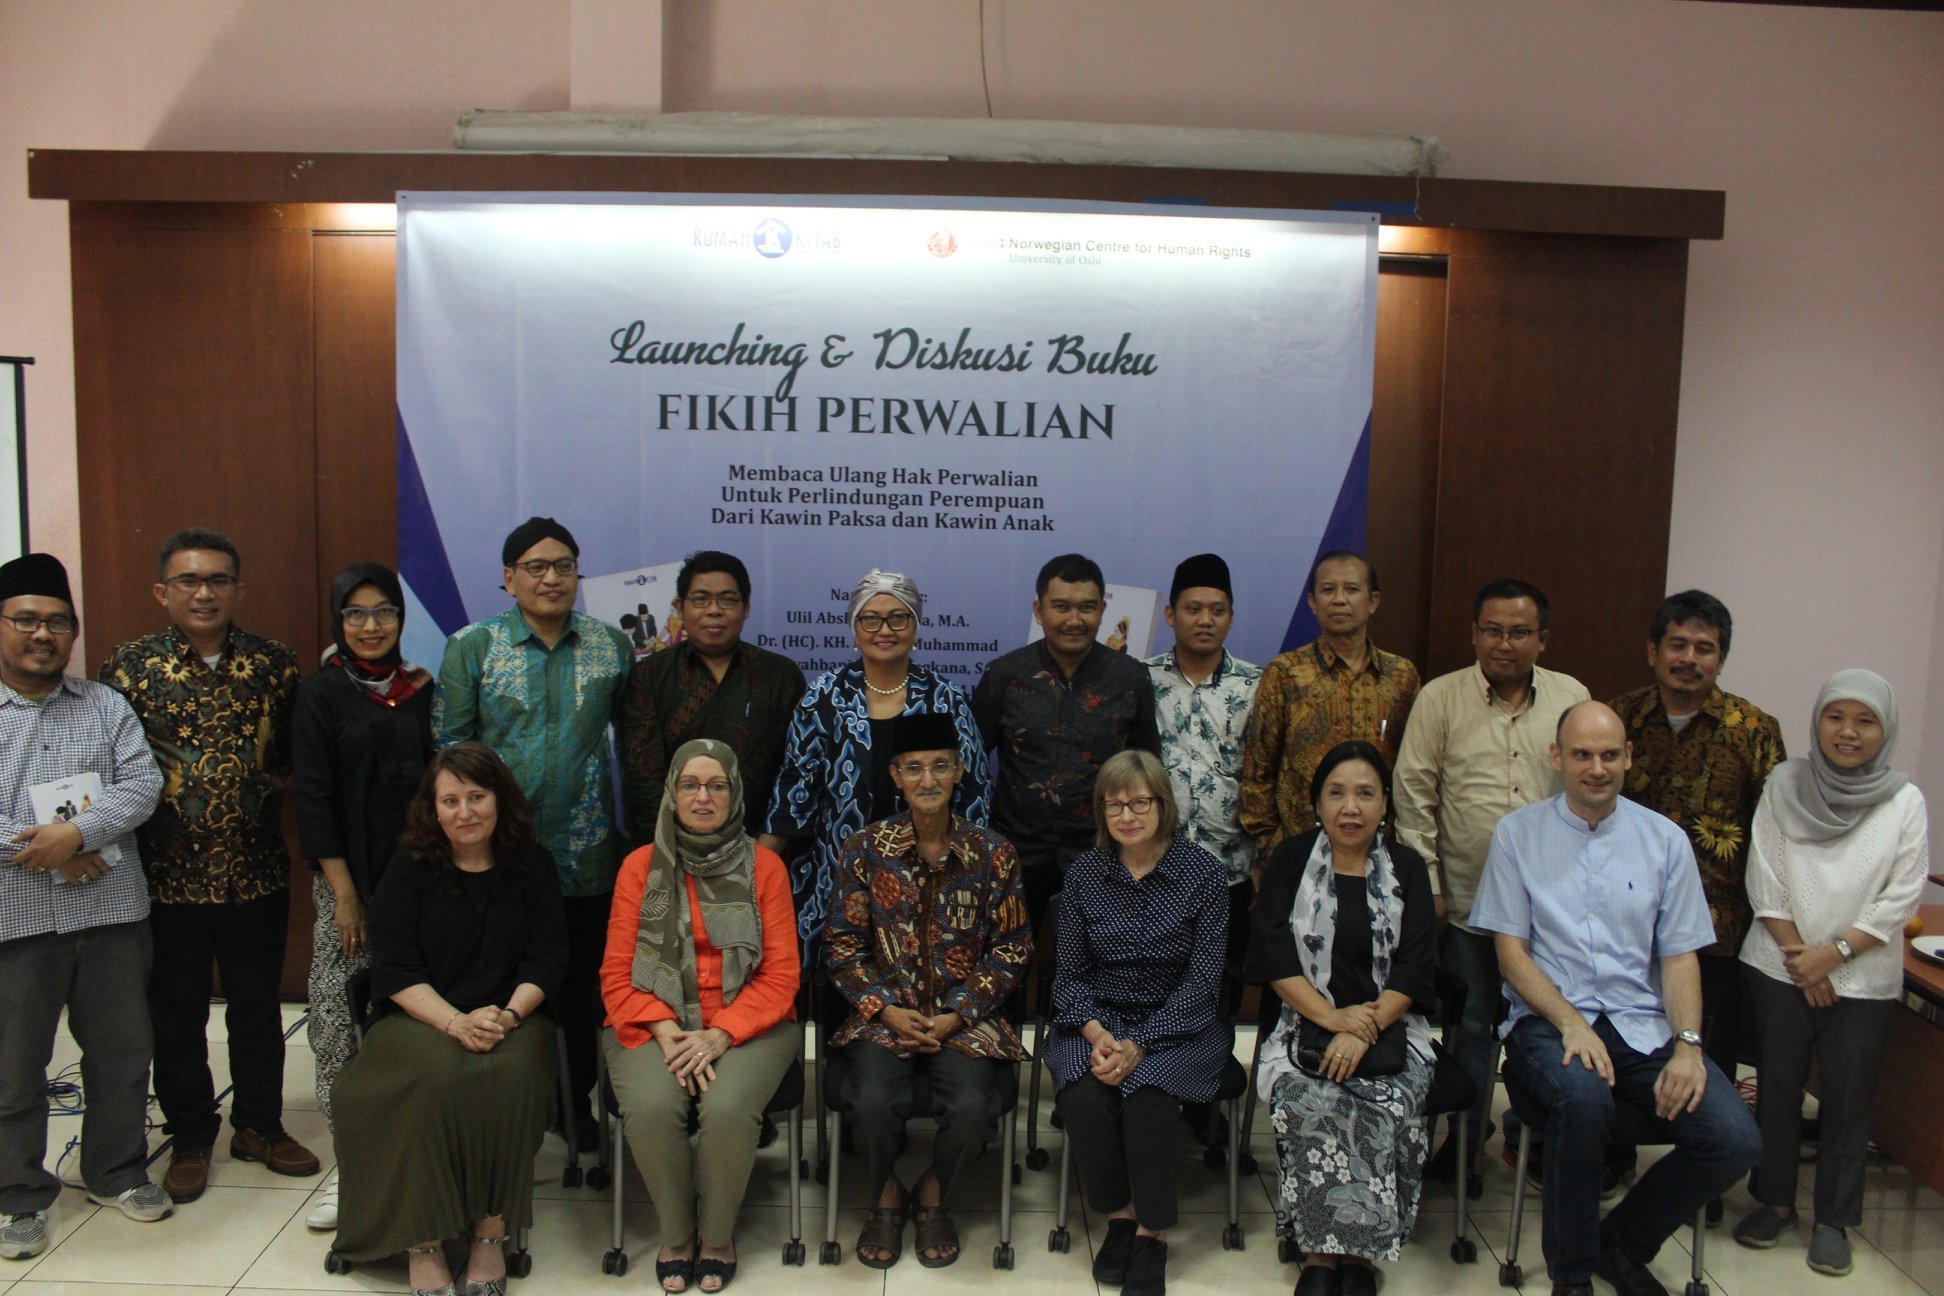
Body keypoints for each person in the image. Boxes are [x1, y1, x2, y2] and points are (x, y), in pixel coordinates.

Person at [1469, 702, 1762, 1296]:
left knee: (1735, 1138)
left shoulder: (1665, 841)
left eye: (1609, 755)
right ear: (1557, 758)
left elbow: (1680, 956)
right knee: (1583, 1097)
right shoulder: (1518, 835)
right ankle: (1571, 1275)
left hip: (1642, 1026)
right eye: (1581, 754)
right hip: (1546, 1025)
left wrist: (1687, 1047)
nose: (1596, 768)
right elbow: (1512, 955)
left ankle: (1620, 1241)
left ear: (1629, 757)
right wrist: (1572, 1024)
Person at [99, 527, 318, 1202]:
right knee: (177, 1014)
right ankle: (191, 1133)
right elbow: (109, 770)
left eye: (218, 580)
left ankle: (259, 1125)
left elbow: (289, 764)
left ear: (239, 590)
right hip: (165, 881)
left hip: (254, 872)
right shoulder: (129, 669)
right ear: (163, 591)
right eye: (190, 581)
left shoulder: (275, 666)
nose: (204, 592)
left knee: (257, 1011)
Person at [331, 742, 567, 1296]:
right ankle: (424, 1240)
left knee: (507, 1078)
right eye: (451, 800)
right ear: (431, 810)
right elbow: (394, 967)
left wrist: (506, 1017)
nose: (465, 812)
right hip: (420, 1016)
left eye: (477, 797)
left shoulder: (533, 864)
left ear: (500, 801)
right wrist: (456, 1023)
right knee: (430, 1080)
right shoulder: (409, 869)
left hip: (515, 1016)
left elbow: (548, 958)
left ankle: (490, 1231)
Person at [435, 516, 632, 1147]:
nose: (552, 578)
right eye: (536, 567)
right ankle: (505, 1105)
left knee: (577, 989)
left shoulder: (612, 646)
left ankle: (573, 1105)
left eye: (564, 566)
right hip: (500, 856)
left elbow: (633, 746)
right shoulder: (474, 645)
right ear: (508, 578)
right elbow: (451, 748)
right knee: (502, 982)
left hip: (587, 853)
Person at [0, 554, 169, 1259]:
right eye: (27, 620)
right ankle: (18, 1195)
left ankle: (116, 1170)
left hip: (110, 916)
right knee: (13, 1068)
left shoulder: (104, 704)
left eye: (57, 622)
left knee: (122, 1054)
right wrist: (50, 850)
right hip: (15, 920)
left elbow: (144, 785)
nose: (43, 634)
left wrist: (78, 832)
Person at [1733, 670, 1927, 1278]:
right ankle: (1774, 1202)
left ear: (1885, 729)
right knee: (1778, 1087)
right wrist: (1802, 958)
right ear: (1816, 720)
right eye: (1835, 716)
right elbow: (1763, 876)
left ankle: (1833, 1222)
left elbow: (1902, 897)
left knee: (1848, 1100)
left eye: (1865, 720)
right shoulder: (1783, 783)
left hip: (1861, 976)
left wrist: (1832, 956)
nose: (1848, 732)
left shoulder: (1905, 800)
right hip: (1779, 962)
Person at [1391, 578, 1588, 1175]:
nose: (1506, 644)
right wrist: (1429, 885)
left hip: (1551, 908)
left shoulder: (1570, 697)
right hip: (1469, 904)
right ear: (1474, 634)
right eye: (1493, 631)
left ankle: (1536, 1143)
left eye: (1520, 632)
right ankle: (1463, 1149)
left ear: (1543, 640)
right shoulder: (1440, 698)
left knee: (1549, 1027)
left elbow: (1586, 789)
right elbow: (1413, 794)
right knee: (1473, 1027)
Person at [824, 714, 1032, 1269]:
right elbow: (842, 947)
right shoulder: (864, 849)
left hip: (965, 1020)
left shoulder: (994, 853)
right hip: (883, 1015)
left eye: (940, 766)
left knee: (971, 1107)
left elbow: (1011, 948)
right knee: (867, 1104)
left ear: (959, 770)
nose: (928, 780)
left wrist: (959, 1013)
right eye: (913, 769)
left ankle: (936, 1190)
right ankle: (887, 1191)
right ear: (895, 776)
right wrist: (884, 1009)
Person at [603, 740, 800, 1294]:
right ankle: (676, 1235)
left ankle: (715, 1237)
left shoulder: (766, 867)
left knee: (731, 1106)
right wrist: (668, 1032)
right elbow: (618, 973)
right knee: (647, 1103)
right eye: (690, 784)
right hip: (651, 1019)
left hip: (747, 1021)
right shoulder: (639, 867)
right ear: (672, 792)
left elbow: (782, 976)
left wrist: (718, 1035)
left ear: (735, 793)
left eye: (717, 785)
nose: (703, 797)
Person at [1249, 741, 1436, 1296]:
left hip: (1392, 1028)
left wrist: (1365, 1029)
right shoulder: (1290, 860)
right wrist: (1333, 1020)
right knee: (1313, 1099)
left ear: (1384, 806)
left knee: (1387, 1099)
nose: (1349, 807)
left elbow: (1416, 964)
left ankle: (1358, 1255)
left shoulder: (1406, 868)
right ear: (1317, 804)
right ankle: (1319, 1256)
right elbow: (1274, 955)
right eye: (1336, 793)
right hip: (1305, 1024)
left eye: (1364, 794)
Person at [1048, 749, 1230, 1296]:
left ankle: (1154, 1233)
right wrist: (1101, 1035)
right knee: (1082, 1092)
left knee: (1148, 1091)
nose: (1126, 816)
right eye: (1113, 806)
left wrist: (1140, 1044)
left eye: (1138, 803)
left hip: (1180, 1024)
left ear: (1163, 805)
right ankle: (1121, 1218)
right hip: (1097, 1021)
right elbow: (1068, 978)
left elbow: (1203, 984)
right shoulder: (1085, 874)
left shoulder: (1203, 873)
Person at [291, 562, 436, 1232]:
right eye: (355, 614)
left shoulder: (424, 692)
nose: (371, 626)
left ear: (401, 619)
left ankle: (418, 1153)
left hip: (422, 887)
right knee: (336, 1023)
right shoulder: (320, 695)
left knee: (414, 1024)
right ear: (337, 621)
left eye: (383, 612)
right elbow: (315, 799)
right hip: (347, 889)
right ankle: (350, 1164)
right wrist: (345, 894)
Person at [761, 569, 988, 964]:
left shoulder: (943, 698)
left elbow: (974, 793)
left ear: (915, 625)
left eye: (898, 618)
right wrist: (757, 868)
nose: (885, 629)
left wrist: (970, 871)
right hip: (840, 877)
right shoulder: (825, 697)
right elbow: (796, 789)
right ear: (855, 626)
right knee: (845, 988)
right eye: (871, 618)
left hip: (930, 879)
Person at [1611, 590, 1785, 1090]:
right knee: (1624, 1052)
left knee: (1710, 1063)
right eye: (1677, 644)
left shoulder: (1755, 732)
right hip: (1627, 923)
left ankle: (1708, 1159)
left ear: (1721, 658)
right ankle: (1615, 1157)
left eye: (1704, 648)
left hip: (1718, 932)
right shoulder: (1619, 719)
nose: (1689, 659)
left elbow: (1772, 840)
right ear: (1652, 651)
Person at [973, 553, 1160, 933]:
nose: (1074, 620)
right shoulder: (1004, 675)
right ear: (1039, 611)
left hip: (1103, 854)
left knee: (1094, 977)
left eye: (1087, 608)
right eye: (1061, 607)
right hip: (1014, 853)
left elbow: (1147, 770)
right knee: (1005, 970)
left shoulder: (1131, 678)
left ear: (1103, 610)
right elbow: (970, 763)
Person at [1239, 549, 1419, 858]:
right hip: (1297, 853)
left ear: (1373, 601)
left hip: (1380, 854)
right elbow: (1259, 771)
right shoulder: (1285, 673)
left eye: (1351, 589)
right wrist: (1270, 846)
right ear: (1312, 602)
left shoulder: (1402, 677)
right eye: (1328, 590)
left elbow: (1414, 772)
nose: (1339, 599)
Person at [621, 551, 806, 848]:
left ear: (745, 608)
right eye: (701, 599)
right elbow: (642, 780)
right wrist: (678, 851)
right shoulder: (650, 676)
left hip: (762, 851)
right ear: (679, 607)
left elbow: (797, 770)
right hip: (670, 854)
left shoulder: (781, 675)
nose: (714, 610)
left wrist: (766, 851)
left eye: (727, 600)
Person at [1142, 554, 1261, 985]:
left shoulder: (1257, 686)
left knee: (1221, 987)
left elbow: (1265, 779)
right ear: (1171, 615)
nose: (1205, 620)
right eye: (1193, 609)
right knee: (1151, 986)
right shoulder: (1139, 680)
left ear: (1231, 617)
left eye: (1218, 610)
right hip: (1151, 866)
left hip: (1230, 869)